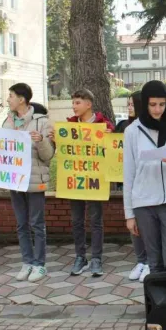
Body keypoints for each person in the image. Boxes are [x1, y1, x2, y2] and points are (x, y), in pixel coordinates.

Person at [123, 80, 166, 276]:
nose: (157, 109)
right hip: (144, 203)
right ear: (145, 103)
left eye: (162, 104)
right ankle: (156, 306)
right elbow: (128, 174)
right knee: (154, 262)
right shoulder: (132, 131)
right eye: (152, 104)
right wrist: (129, 214)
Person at [48, 89, 114, 277]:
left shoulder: (103, 124)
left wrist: (109, 137)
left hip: (95, 181)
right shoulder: (68, 126)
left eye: (77, 102)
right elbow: (64, 151)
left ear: (88, 104)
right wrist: (56, 140)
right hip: (74, 180)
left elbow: (112, 151)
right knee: (76, 221)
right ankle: (80, 256)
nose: (73, 106)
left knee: (96, 221)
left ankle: (97, 258)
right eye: (73, 102)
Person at [2, 83, 54, 282]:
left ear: (22, 99)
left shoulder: (42, 122)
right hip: (15, 180)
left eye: (11, 96)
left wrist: (41, 140)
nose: (9, 100)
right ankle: (27, 262)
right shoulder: (7, 121)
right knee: (21, 224)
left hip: (34, 180)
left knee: (36, 224)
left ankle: (40, 265)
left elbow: (48, 156)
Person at [117, 92, 150, 282]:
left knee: (148, 225)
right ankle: (141, 260)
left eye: (132, 104)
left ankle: (150, 262)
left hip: (147, 183)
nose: (129, 107)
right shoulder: (125, 127)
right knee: (134, 224)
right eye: (127, 104)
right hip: (130, 182)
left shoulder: (148, 128)